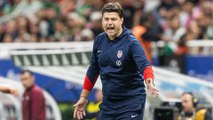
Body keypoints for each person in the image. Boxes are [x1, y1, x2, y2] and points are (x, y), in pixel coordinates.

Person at [73, 2, 159, 120]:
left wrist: (149, 81)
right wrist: (83, 97)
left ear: (121, 20)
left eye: (113, 19)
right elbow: (93, 70)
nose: (109, 22)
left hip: (131, 102)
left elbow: (144, 64)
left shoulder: (131, 42)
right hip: (108, 103)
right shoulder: (99, 40)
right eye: (106, 19)